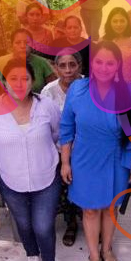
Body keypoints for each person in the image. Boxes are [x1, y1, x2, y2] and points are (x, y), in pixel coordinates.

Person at [60, 41, 131, 261]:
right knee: (90, 210)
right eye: (99, 62)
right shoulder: (77, 89)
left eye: (109, 63)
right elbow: (66, 128)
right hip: (85, 159)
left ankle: (107, 250)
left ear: (117, 65)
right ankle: (94, 258)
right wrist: (65, 162)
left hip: (116, 158)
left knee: (110, 208)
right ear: (91, 64)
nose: (103, 68)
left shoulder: (127, 92)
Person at [0, 59, 64, 261]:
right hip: (11, 180)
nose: (19, 84)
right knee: (24, 225)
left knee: (43, 226)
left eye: (25, 78)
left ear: (33, 81)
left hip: (46, 177)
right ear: (4, 81)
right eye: (13, 79)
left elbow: (57, 134)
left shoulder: (46, 106)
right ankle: (32, 257)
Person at [41, 52, 84, 246]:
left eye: (72, 64)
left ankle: (90, 220)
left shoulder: (89, 86)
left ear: (79, 66)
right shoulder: (48, 92)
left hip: (86, 150)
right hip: (59, 149)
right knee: (66, 188)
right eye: (63, 65)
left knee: (86, 187)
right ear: (55, 68)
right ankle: (71, 223)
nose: (68, 70)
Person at [0, 29, 56, 94]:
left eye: (26, 42)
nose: (23, 46)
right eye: (18, 43)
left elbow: (53, 91)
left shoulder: (42, 63)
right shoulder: (0, 62)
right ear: (11, 45)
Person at [101, 6, 131, 83]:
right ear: (109, 22)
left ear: (127, 22)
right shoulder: (103, 41)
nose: (119, 24)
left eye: (122, 21)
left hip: (129, 83)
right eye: (115, 21)